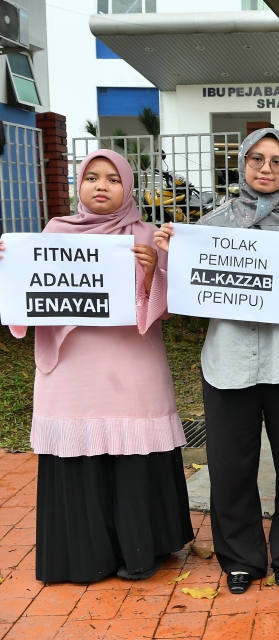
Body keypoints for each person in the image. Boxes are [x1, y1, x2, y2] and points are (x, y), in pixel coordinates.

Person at [154, 128, 279, 595]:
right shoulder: (212, 223)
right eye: (256, 159)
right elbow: (188, 299)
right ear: (242, 165)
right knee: (231, 466)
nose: (266, 169)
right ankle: (240, 557)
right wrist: (176, 256)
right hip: (228, 360)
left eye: (276, 161)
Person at [4, 149, 192, 583]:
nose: (101, 186)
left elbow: (167, 307)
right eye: (91, 178)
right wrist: (10, 264)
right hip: (73, 369)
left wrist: (152, 271)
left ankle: (141, 551)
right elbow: (29, 294)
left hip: (132, 365)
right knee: (79, 454)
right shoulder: (54, 231)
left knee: (133, 452)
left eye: (112, 178)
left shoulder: (145, 233)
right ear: (79, 186)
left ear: (128, 186)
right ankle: (85, 556)